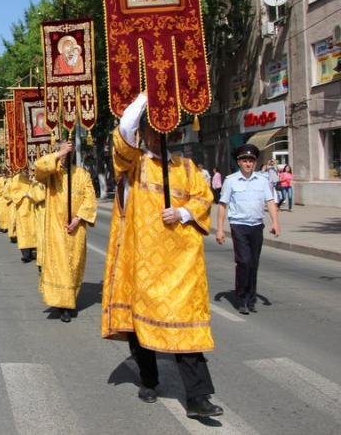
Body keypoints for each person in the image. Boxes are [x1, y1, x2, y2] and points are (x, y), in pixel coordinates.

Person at [101, 92, 223, 418]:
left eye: (162, 129)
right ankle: (149, 380)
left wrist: (182, 213)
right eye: (150, 130)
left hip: (181, 267)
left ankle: (198, 398)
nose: (156, 136)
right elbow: (124, 129)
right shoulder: (132, 165)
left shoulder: (186, 167)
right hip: (141, 264)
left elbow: (203, 197)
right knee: (142, 330)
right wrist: (150, 91)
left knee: (188, 332)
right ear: (143, 134)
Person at [35, 141, 97, 322]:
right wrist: (57, 153)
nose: (64, 156)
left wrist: (78, 219)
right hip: (56, 227)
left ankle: (70, 298)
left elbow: (90, 200)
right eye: (62, 153)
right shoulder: (51, 173)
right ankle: (64, 306)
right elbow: (38, 167)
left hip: (77, 229)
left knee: (74, 266)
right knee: (60, 265)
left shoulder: (82, 174)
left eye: (67, 154)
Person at [216, 143, 281, 315]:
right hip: (239, 225)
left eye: (251, 160)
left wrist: (275, 222)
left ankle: (251, 299)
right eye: (244, 160)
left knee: (253, 263)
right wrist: (220, 229)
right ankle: (242, 299)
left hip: (256, 226)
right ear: (239, 162)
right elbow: (223, 205)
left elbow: (270, 202)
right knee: (243, 261)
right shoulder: (231, 181)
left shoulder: (262, 180)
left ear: (254, 163)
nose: (248, 163)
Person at [11, 169, 37, 263]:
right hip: (23, 207)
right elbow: (13, 194)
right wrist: (24, 194)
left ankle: (34, 250)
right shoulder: (17, 178)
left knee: (34, 229)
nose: (29, 170)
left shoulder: (34, 177)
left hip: (34, 207)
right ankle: (26, 254)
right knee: (24, 230)